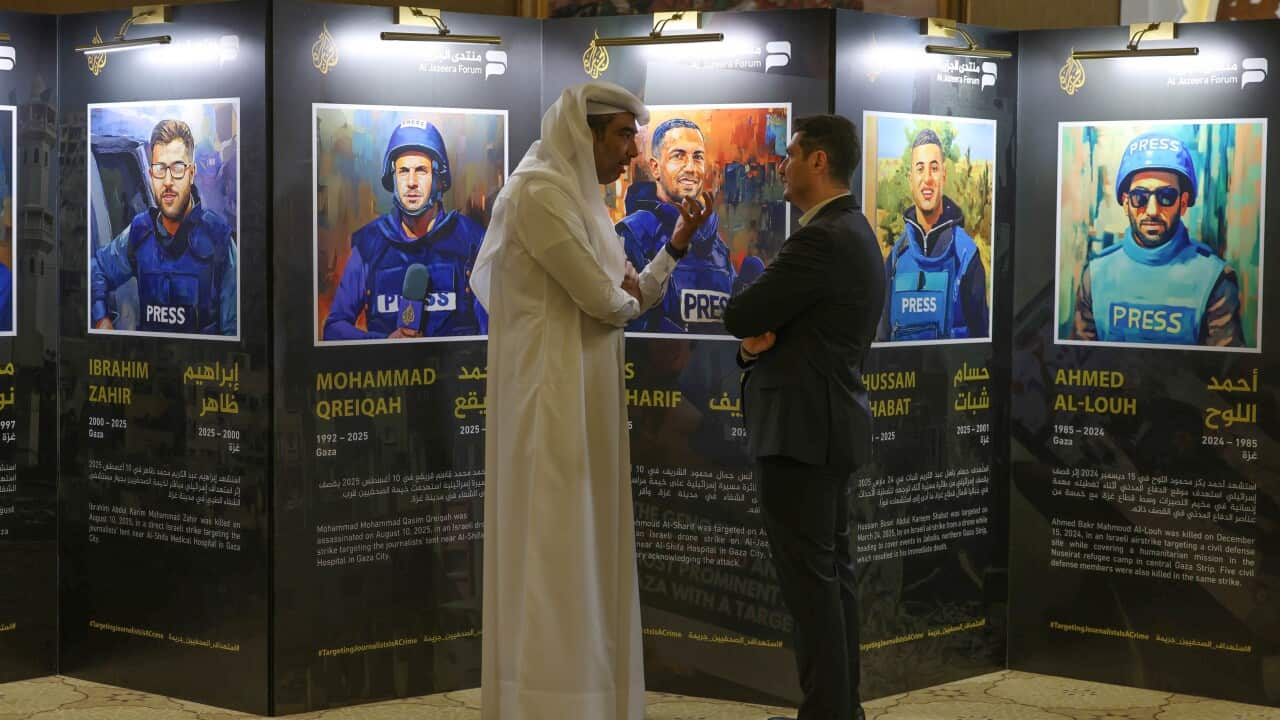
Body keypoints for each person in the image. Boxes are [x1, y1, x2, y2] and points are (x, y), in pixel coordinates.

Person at [470, 81, 714, 720]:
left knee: (589, 553)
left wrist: (678, 242)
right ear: (585, 134)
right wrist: (624, 292)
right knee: (553, 552)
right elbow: (606, 301)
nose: (633, 153)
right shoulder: (538, 195)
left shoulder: (580, 201)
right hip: (550, 409)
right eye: (622, 137)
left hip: (589, 404)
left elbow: (628, 298)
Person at [722, 114, 884, 720]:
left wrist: (750, 335)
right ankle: (842, 710)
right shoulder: (855, 231)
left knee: (812, 592)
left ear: (819, 161)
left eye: (790, 155)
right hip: (825, 429)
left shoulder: (821, 238)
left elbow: (745, 312)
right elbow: (773, 331)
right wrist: (753, 345)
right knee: (830, 583)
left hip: (801, 436)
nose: (781, 166)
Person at [1071, 131, 1244, 346]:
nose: (1152, 210)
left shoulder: (1216, 279)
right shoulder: (1095, 275)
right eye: (1140, 197)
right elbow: (1078, 362)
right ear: (1126, 203)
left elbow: (1226, 372)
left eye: (1166, 197)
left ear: (1183, 203)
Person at [323, 120, 488, 340]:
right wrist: (383, 344)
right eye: (403, 171)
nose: (411, 182)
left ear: (439, 180)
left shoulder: (473, 242)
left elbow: (494, 333)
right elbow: (334, 328)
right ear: (392, 178)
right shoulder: (369, 246)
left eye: (421, 170)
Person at [90, 119, 236, 335]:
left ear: (191, 173)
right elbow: (97, 269)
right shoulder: (139, 231)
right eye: (160, 169)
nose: (167, 181)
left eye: (177, 168)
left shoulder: (219, 238)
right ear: (151, 175)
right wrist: (101, 318)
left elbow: (234, 330)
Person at [616, 118, 735, 333]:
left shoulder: (718, 246)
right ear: (655, 167)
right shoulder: (633, 233)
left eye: (697, 157)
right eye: (678, 156)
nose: (690, 168)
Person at [876, 128, 987, 342]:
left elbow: (981, 342)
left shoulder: (966, 254)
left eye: (934, 168)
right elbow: (882, 337)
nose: (927, 178)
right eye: (920, 169)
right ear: (910, 179)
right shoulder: (896, 258)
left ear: (943, 176)